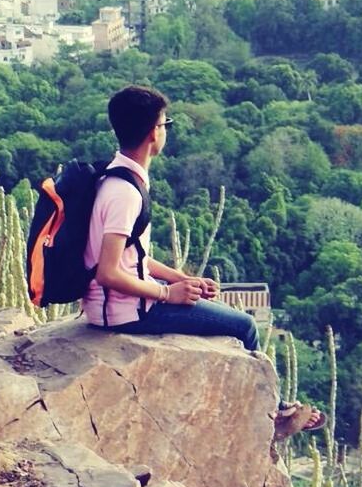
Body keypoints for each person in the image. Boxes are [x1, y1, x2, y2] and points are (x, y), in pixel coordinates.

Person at [84, 85, 324, 439]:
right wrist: (169, 295)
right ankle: (272, 417)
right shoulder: (125, 193)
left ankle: (276, 408)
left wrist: (181, 279)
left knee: (215, 308)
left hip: (122, 303)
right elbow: (108, 272)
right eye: (166, 123)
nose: (165, 130)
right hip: (127, 312)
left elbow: (134, 257)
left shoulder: (114, 176)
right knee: (244, 327)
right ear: (154, 132)